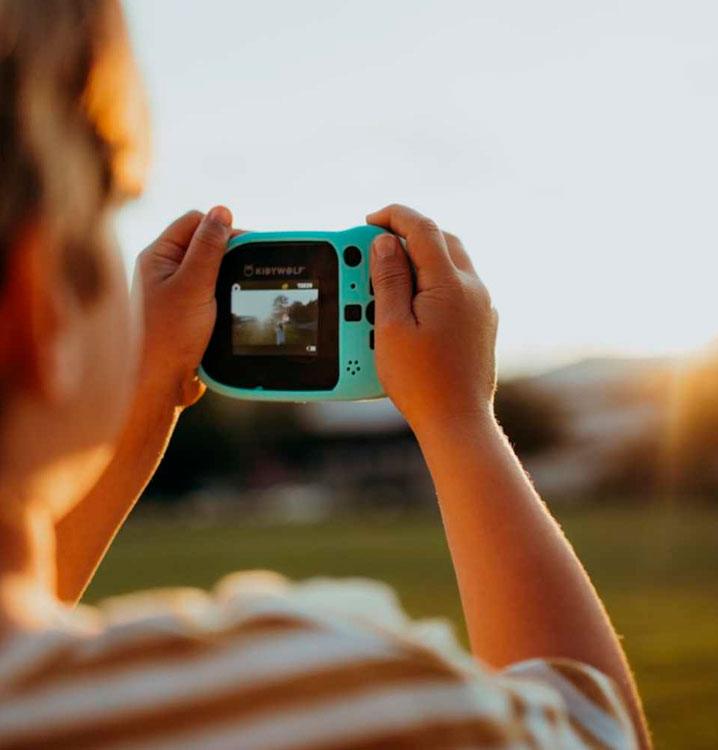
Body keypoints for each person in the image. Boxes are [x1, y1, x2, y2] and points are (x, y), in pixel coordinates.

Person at [0, 1, 650, 748]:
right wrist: (458, 419)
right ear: (35, 307)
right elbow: (591, 725)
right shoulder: (303, 692)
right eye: (109, 214)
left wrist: (145, 389)